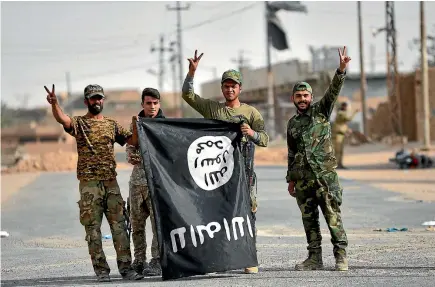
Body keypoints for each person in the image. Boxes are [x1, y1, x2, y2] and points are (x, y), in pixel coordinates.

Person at [44, 84, 143, 282]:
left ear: (103, 100)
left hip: (111, 183)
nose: (96, 101)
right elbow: (62, 119)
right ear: (86, 101)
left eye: (99, 98)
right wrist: (55, 104)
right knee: (93, 230)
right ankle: (101, 271)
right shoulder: (79, 123)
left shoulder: (111, 124)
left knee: (120, 228)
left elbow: (132, 141)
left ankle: (126, 269)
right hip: (89, 185)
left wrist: (136, 125)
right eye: (92, 99)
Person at [181, 50, 269, 274]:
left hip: (244, 173)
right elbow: (188, 96)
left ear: (240, 88)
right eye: (226, 86)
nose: (230, 89)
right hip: (217, 173)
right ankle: (219, 258)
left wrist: (251, 133)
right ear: (222, 88)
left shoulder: (251, 112)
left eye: (234, 86)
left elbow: (265, 139)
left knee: (247, 213)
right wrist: (191, 74)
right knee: (216, 214)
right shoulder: (214, 109)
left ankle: (249, 257)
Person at [286, 46, 351, 272]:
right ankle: (314, 257)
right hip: (304, 181)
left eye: (305, 96)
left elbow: (333, 91)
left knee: (333, 217)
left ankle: (341, 255)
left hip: (325, 178)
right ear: (293, 98)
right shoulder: (292, 124)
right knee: (309, 221)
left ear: (311, 98)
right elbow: (292, 153)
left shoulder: (321, 112)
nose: (302, 99)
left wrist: (341, 70)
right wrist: (291, 179)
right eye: (298, 96)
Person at [126, 88, 165, 276]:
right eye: (148, 103)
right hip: (136, 183)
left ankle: (156, 260)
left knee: (157, 225)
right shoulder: (136, 123)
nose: (152, 106)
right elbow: (131, 148)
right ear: (142, 104)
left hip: (156, 183)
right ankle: (139, 261)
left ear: (159, 103)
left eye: (155, 103)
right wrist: (132, 154)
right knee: (136, 225)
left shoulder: (164, 126)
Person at [331, 102, 359, 169]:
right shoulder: (341, 113)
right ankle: (335, 165)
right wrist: (355, 112)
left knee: (340, 151)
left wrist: (347, 130)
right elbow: (348, 119)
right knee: (337, 151)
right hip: (337, 135)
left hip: (341, 135)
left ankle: (340, 164)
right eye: (347, 107)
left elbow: (343, 124)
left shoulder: (341, 114)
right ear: (344, 107)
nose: (347, 108)